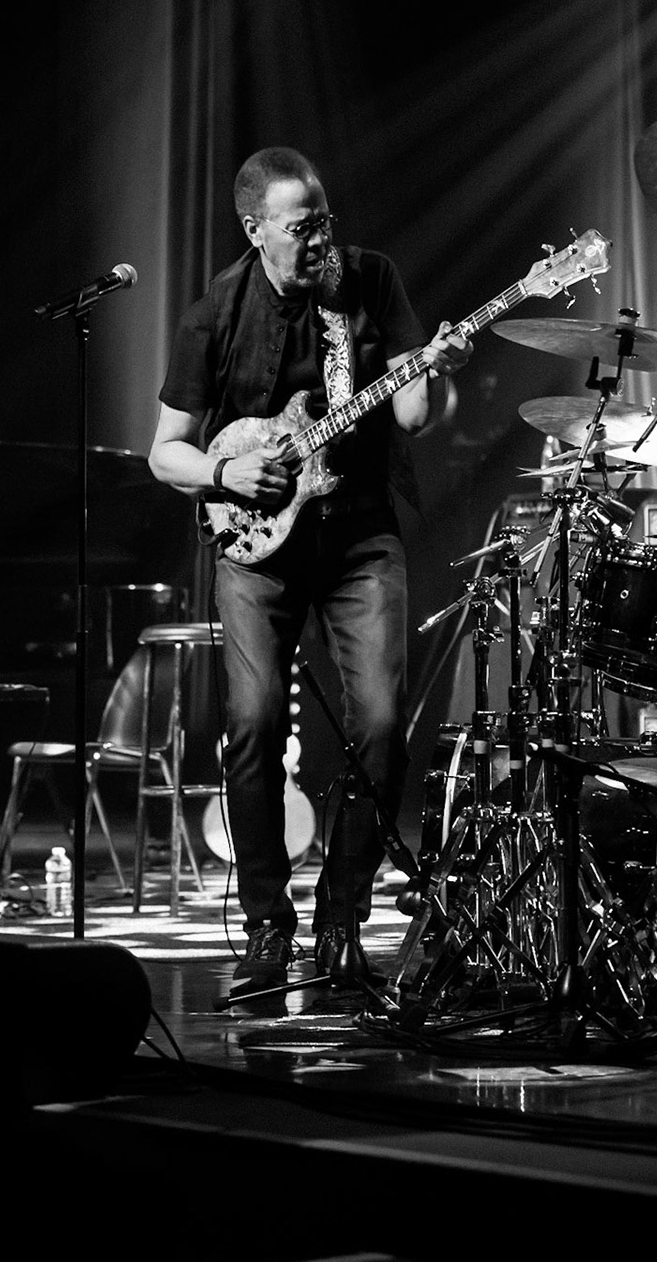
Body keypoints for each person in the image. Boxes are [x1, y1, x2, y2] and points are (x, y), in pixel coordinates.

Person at [149, 147, 473, 990]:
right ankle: (266, 925)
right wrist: (224, 474)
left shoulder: (370, 280)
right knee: (252, 728)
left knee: (379, 724)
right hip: (257, 549)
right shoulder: (214, 313)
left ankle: (342, 917)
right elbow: (164, 453)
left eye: (325, 217)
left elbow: (409, 412)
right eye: (303, 225)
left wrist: (437, 375)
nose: (322, 235)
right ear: (256, 229)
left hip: (359, 535)